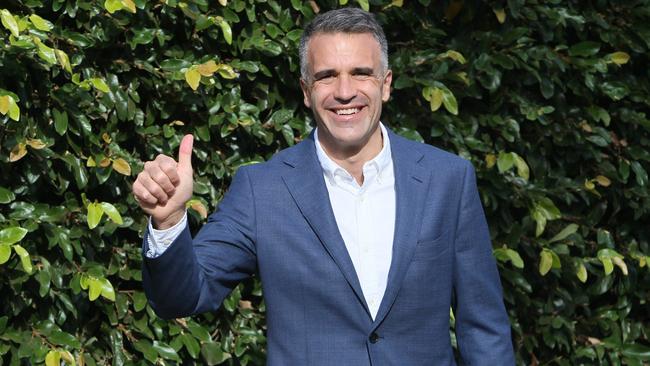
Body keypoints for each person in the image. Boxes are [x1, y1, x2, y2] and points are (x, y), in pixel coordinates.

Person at [132, 7, 515, 365]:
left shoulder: (447, 179)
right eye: (327, 75)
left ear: (386, 84)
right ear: (305, 90)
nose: (345, 91)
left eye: (361, 73)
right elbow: (183, 298)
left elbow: (483, 327)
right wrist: (169, 221)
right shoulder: (262, 189)